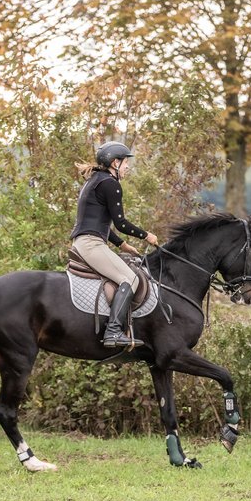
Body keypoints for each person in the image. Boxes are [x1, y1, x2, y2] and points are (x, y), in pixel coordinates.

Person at [70, 141, 160, 347]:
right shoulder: (110, 184)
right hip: (91, 245)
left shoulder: (94, 181)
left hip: (86, 241)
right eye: (126, 162)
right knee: (130, 279)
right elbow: (120, 223)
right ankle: (113, 332)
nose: (128, 167)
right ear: (114, 162)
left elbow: (99, 222)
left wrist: (122, 245)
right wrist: (147, 235)